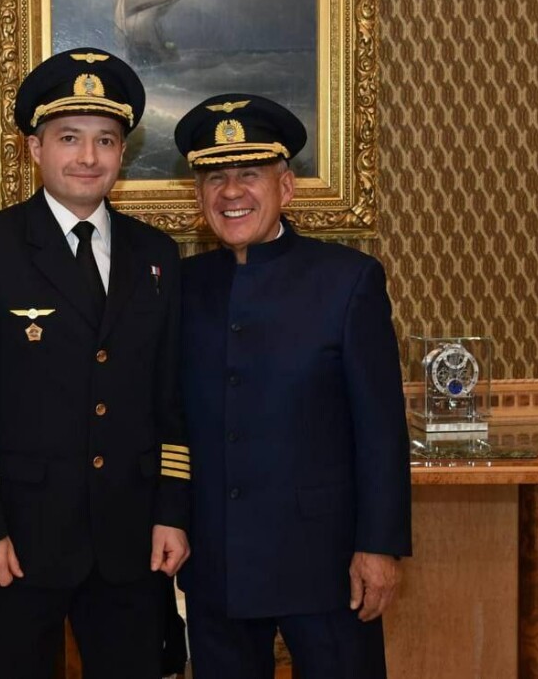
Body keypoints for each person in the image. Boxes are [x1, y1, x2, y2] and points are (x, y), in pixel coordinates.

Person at [0, 48, 191, 679]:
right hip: (17, 540)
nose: (88, 156)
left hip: (131, 542)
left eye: (106, 140)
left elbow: (172, 397)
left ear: (122, 154)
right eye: (69, 138)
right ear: (35, 149)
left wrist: (172, 513)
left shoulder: (156, 255)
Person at [173, 94, 411, 678]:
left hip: (326, 564)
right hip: (217, 561)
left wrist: (379, 546)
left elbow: (380, 429)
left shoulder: (348, 280)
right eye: (215, 178)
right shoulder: (181, 286)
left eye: (249, 175)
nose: (231, 192)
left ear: (287, 187)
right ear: (198, 196)